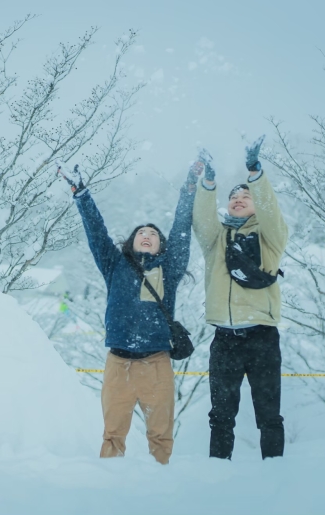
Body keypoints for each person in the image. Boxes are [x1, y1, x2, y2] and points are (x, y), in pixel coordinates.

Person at [58, 161, 201, 464]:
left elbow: (181, 227)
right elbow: (96, 232)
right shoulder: (115, 265)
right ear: (132, 241)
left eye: (153, 233)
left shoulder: (169, 269)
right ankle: (112, 484)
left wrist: (189, 187)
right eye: (141, 232)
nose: (147, 234)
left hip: (157, 363)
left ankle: (161, 480)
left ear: (161, 245)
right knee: (112, 435)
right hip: (118, 363)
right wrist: (81, 193)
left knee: (160, 435)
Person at [192, 136, 289, 460]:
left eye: (245, 196)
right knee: (220, 416)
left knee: (269, 415)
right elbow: (202, 219)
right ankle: (218, 472)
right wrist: (208, 182)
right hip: (224, 338)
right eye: (233, 196)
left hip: (262, 335)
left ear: (256, 203)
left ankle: (274, 472)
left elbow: (271, 212)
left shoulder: (270, 236)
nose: (238, 199)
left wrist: (255, 174)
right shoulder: (216, 239)